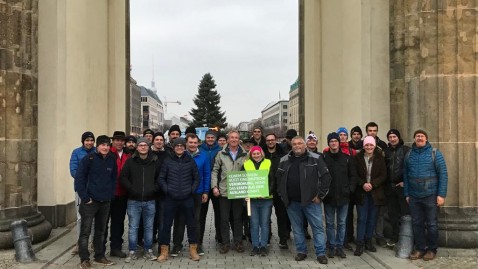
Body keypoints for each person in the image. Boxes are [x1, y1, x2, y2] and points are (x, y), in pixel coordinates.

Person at [276, 136, 331, 264]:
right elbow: (278, 179)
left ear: (305, 145)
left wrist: (320, 196)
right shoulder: (284, 160)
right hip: (292, 202)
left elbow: (326, 178)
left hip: (311, 202)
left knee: (317, 228)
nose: (297, 146)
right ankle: (301, 251)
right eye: (294, 144)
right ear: (291, 145)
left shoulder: (316, 158)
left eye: (300, 143)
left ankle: (321, 253)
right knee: (297, 228)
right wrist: (283, 196)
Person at [404, 129, 448, 261]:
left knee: (432, 224)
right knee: (417, 223)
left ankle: (432, 249)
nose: (419, 138)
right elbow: (405, 175)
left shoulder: (435, 153)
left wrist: (441, 195)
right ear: (414, 139)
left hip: (430, 195)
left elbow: (443, 175)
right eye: (417, 136)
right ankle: (420, 248)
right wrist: (407, 193)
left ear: (426, 139)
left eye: (422, 136)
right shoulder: (409, 154)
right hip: (414, 196)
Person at [74, 135, 117, 268]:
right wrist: (85, 197)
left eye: (107, 145)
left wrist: (110, 194)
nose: (105, 147)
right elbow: (79, 179)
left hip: (105, 201)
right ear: (97, 147)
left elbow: (113, 179)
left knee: (101, 231)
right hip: (90, 202)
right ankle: (84, 259)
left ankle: (99, 256)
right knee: (85, 231)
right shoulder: (89, 159)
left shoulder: (111, 159)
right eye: (102, 145)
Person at [157, 138, 200, 262]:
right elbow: (161, 178)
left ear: (185, 147)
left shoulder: (190, 161)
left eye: (182, 145)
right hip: (170, 198)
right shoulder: (167, 161)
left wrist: (191, 190)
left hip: (187, 198)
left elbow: (196, 178)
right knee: (166, 225)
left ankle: (193, 250)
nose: (180, 147)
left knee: (191, 225)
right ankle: (164, 251)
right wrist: (167, 190)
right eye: (177, 146)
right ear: (174, 147)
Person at [120, 137, 159, 262]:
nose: (143, 147)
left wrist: (154, 189)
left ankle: (148, 250)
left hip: (150, 200)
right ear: (137, 147)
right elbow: (123, 177)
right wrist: (131, 189)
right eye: (140, 145)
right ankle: (132, 251)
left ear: (149, 147)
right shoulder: (131, 161)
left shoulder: (154, 160)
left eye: (145, 145)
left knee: (149, 227)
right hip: (133, 200)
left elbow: (160, 177)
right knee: (133, 227)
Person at [171, 134, 211, 256]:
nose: (193, 145)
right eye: (190, 142)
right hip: (182, 192)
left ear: (198, 143)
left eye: (195, 142)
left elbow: (207, 174)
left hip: (197, 193)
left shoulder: (204, 156)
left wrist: (205, 191)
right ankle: (177, 245)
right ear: (186, 143)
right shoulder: (181, 155)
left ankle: (196, 245)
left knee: (195, 220)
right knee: (180, 220)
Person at [211, 130, 248, 254]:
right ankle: (225, 243)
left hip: (238, 191)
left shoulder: (245, 154)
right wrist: (214, 187)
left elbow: (249, 171)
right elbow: (215, 171)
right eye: (231, 137)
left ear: (239, 140)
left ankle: (238, 242)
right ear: (228, 139)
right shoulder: (221, 153)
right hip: (224, 191)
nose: (233, 139)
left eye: (236, 138)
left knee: (238, 218)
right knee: (224, 218)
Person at [323, 132, 358, 259]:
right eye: (331, 141)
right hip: (329, 197)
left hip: (344, 196)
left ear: (339, 143)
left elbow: (353, 176)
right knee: (330, 223)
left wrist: (350, 189)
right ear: (328, 143)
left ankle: (339, 247)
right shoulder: (324, 158)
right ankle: (331, 247)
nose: (333, 143)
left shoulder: (346, 158)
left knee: (342, 223)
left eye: (335, 141)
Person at [353, 136, 387, 256]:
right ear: (363, 146)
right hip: (361, 192)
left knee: (372, 218)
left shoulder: (379, 158)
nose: (369, 147)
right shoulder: (357, 158)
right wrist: (362, 184)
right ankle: (360, 243)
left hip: (375, 193)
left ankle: (368, 241)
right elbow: (354, 174)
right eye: (367, 145)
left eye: (371, 145)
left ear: (374, 146)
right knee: (362, 218)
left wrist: (373, 184)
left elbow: (383, 175)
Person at [244, 146, 274, 256]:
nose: (256, 155)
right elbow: (243, 180)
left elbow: (272, 181)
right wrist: (245, 194)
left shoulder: (268, 162)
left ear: (262, 153)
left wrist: (266, 193)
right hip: (251, 200)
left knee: (265, 223)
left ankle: (264, 246)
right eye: (254, 154)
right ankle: (255, 246)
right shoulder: (246, 164)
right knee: (254, 223)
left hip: (266, 199)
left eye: (258, 153)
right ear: (251, 155)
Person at [69, 131, 96, 255]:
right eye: (87, 140)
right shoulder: (76, 153)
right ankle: (80, 243)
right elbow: (74, 170)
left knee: (95, 218)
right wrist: (85, 180)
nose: (89, 142)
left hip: (95, 190)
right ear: (83, 141)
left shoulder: (97, 151)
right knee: (81, 218)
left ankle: (93, 243)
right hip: (81, 189)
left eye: (91, 140)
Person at [106, 131, 131, 258]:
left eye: (122, 140)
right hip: (108, 193)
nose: (119, 142)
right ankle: (100, 247)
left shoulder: (128, 154)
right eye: (117, 140)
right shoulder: (107, 153)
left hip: (122, 193)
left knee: (118, 222)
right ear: (113, 141)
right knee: (103, 222)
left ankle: (115, 247)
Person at [365, 122, 389, 247]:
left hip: (379, 185)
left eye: (374, 130)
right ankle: (366, 237)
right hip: (364, 186)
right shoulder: (362, 145)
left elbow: (385, 166)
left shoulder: (383, 146)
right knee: (365, 214)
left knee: (379, 213)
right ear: (367, 131)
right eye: (370, 130)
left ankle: (379, 236)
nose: (372, 132)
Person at [384, 129, 410, 247]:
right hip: (390, 187)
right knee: (392, 214)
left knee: (405, 213)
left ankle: (406, 238)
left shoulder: (406, 150)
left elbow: (410, 167)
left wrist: (405, 182)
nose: (392, 139)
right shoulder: (386, 151)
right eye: (390, 137)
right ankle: (395, 237)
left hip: (401, 186)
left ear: (398, 138)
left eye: (394, 136)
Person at [264, 133, 290, 249]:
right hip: (266, 189)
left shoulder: (283, 154)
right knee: (266, 216)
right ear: (266, 142)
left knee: (281, 215)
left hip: (280, 189)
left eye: (272, 140)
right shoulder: (262, 154)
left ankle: (283, 239)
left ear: (276, 141)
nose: (270, 142)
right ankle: (267, 236)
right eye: (268, 140)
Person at [198, 130, 222, 246]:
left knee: (219, 213)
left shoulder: (221, 150)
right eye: (208, 137)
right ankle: (199, 239)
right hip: (204, 187)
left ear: (215, 139)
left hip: (217, 186)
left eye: (212, 137)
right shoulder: (200, 149)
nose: (210, 139)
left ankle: (220, 236)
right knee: (201, 215)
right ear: (205, 138)